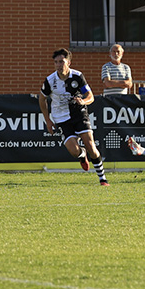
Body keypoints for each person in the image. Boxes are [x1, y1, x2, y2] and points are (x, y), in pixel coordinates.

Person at [39, 48, 108, 186]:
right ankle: (82, 155)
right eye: (56, 62)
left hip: (79, 114)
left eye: (61, 62)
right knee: (74, 151)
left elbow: (90, 96)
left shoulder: (77, 76)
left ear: (69, 62)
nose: (59, 65)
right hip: (61, 118)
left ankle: (102, 178)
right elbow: (42, 99)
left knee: (91, 146)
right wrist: (48, 120)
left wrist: (84, 101)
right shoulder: (50, 80)